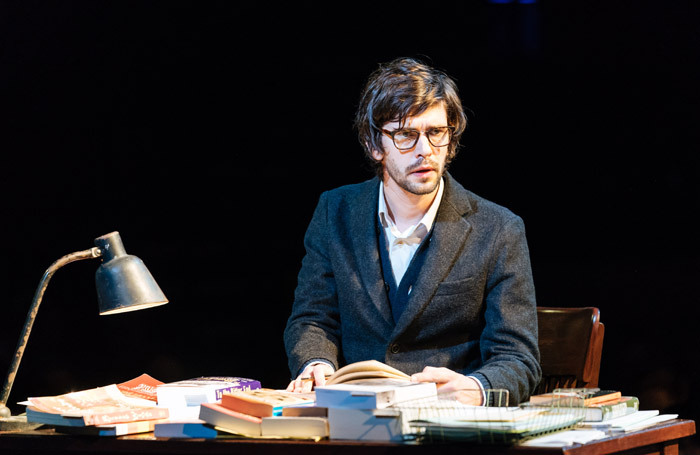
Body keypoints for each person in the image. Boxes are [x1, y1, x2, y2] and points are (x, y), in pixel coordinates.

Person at [283, 57, 540, 405]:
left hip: (446, 424)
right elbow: (312, 319)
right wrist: (316, 362)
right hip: (357, 418)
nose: (425, 150)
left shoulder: (497, 229)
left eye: (436, 133)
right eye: (406, 135)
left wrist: (477, 387)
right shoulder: (335, 212)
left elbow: (518, 358)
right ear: (376, 145)